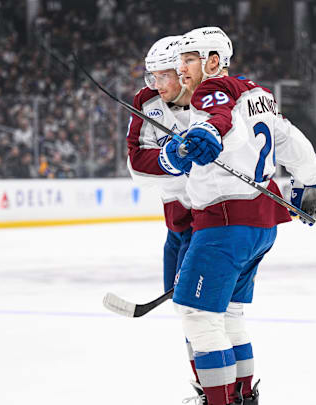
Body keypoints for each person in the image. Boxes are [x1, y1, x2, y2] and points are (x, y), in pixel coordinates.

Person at [160, 27, 316, 405]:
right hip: (259, 226)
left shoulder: (210, 90)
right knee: (230, 315)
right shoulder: (259, 94)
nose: (181, 68)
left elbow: (216, 117)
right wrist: (309, 182)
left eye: (188, 59)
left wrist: (207, 133)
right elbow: (290, 140)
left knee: (199, 317)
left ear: (213, 61)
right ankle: (242, 397)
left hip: (224, 225)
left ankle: (219, 401)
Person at [125, 35, 201, 380]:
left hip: (211, 223)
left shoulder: (214, 99)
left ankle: (221, 389)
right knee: (188, 312)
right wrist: (172, 159)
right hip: (177, 226)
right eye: (151, 76)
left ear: (183, 72)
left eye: (163, 76)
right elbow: (137, 166)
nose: (155, 84)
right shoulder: (146, 102)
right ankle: (207, 385)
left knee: (207, 313)